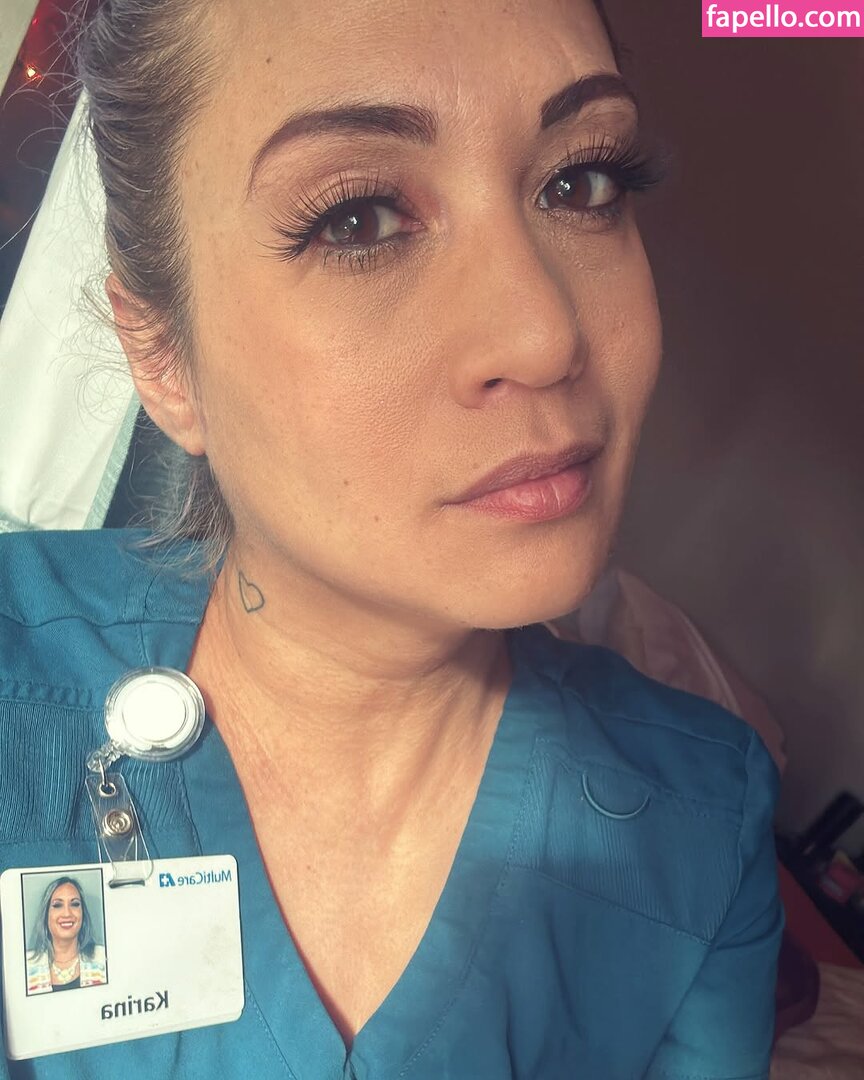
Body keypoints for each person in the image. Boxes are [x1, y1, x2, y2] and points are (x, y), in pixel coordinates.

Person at [0, 0, 783, 1076]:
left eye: (582, 181)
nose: (544, 335)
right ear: (163, 356)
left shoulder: (702, 818)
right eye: (359, 218)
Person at [25, 877, 107, 995]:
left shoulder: (103, 959)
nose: (67, 913)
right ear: (46, 914)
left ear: (83, 913)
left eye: (75, 904)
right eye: (58, 905)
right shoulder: (26, 966)